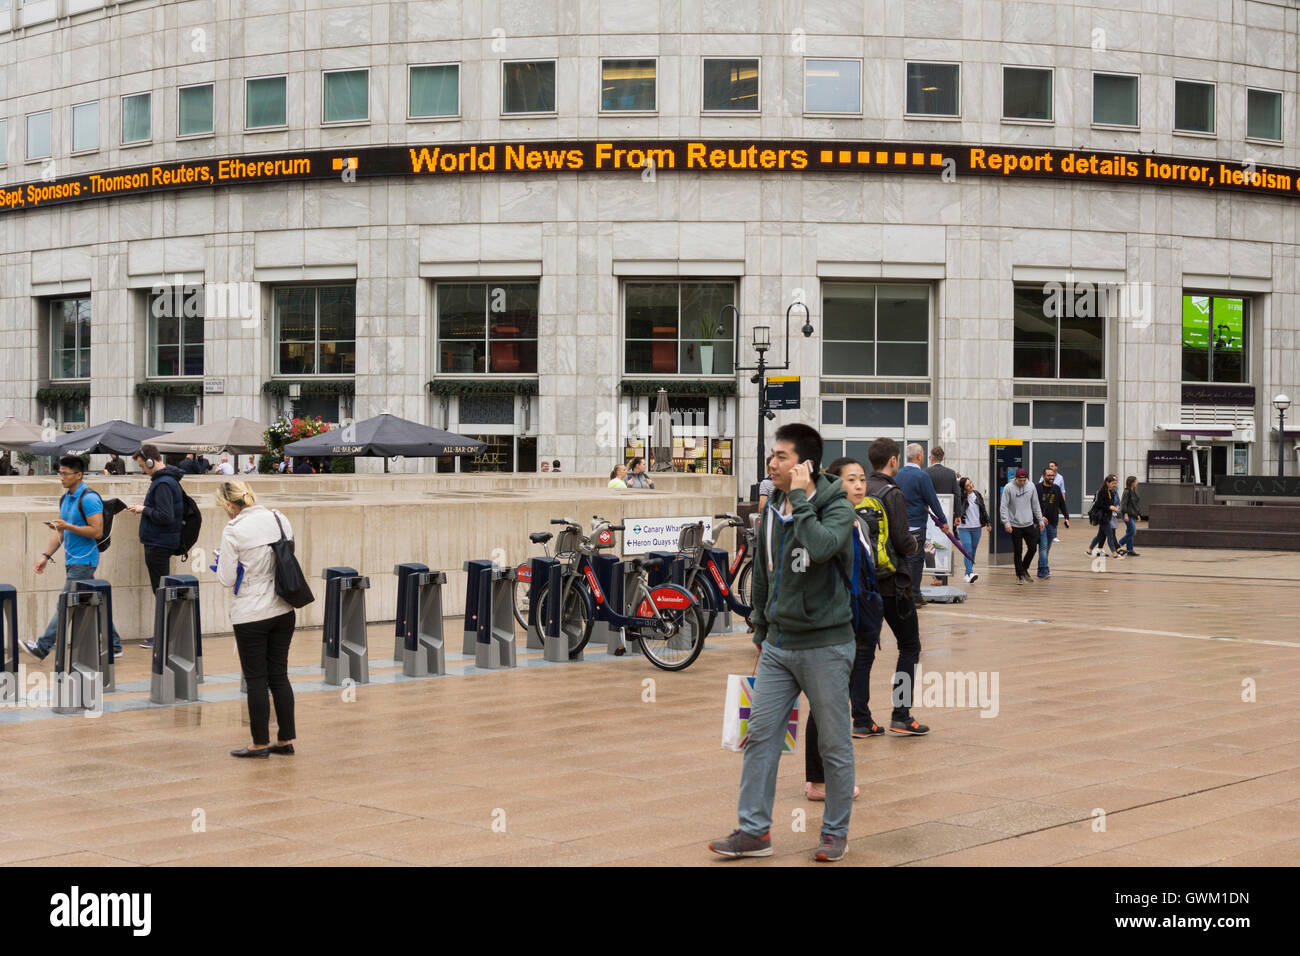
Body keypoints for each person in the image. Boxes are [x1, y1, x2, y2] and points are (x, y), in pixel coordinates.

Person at [708, 423, 857, 863]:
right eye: (771, 455)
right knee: (760, 737)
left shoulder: (838, 507)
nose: (772, 464)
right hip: (778, 644)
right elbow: (765, 571)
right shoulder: (771, 506)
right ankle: (754, 832)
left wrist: (802, 502)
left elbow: (822, 547)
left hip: (827, 644)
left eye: (782, 457)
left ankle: (834, 833)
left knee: (833, 743)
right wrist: (759, 630)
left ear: (806, 465)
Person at [804, 456, 879, 802]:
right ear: (834, 485)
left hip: (856, 621)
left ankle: (824, 777)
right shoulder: (827, 525)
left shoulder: (859, 522)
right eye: (851, 480)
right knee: (828, 703)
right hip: (831, 624)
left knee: (834, 701)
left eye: (862, 479)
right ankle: (819, 780)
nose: (860, 486)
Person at [214, 481, 298, 758]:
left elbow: (226, 578)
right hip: (283, 608)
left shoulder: (234, 530)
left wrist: (226, 564)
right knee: (280, 676)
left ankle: (259, 743)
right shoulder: (279, 518)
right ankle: (285, 740)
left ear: (229, 505)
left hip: (251, 612)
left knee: (256, 680)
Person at [22, 456, 124, 660]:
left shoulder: (89, 498)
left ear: (79, 475)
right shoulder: (66, 498)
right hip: (72, 560)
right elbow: (60, 532)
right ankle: (114, 645)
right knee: (97, 602)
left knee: (65, 603)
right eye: (60, 473)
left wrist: (68, 526)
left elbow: (97, 531)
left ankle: (43, 647)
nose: (61, 477)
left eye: (65, 473)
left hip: (84, 561)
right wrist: (45, 555)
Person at [860, 438, 927, 738]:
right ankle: (902, 714)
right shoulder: (892, 493)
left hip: (865, 584)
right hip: (894, 583)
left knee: (864, 651)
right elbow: (902, 540)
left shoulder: (862, 490)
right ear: (893, 460)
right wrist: (915, 544)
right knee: (910, 645)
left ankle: (861, 719)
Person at [128, 444, 186, 648]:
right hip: (162, 542)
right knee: (162, 590)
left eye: (143, 466)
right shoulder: (169, 480)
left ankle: (164, 637)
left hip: (158, 544)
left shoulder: (162, 484)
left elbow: (165, 515)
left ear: (152, 462)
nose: (143, 470)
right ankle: (168, 635)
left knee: (161, 591)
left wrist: (144, 509)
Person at [893, 444, 949, 608]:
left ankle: (908, 593)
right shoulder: (922, 476)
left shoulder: (898, 475)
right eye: (923, 454)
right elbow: (933, 500)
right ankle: (913, 595)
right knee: (916, 561)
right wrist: (943, 521)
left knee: (903, 560)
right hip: (917, 525)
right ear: (918, 457)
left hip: (900, 526)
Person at [1000, 467, 1046, 584]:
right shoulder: (1008, 488)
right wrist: (1006, 522)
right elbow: (1003, 506)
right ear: (1016, 478)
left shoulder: (1031, 487)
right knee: (1018, 550)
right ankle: (1019, 575)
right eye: (1020, 480)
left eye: (1024, 480)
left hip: (1028, 523)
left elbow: (1035, 505)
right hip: (1014, 524)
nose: (1022, 482)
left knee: (1033, 548)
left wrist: (1040, 520)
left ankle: (1024, 568)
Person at [925, 447, 960, 585]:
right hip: (946, 514)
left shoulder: (926, 473)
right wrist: (958, 514)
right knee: (944, 544)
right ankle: (942, 576)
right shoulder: (951, 474)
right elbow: (957, 494)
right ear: (943, 458)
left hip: (930, 515)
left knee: (930, 543)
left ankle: (935, 575)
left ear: (931, 457)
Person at [1035, 465, 1070, 580]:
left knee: (1046, 548)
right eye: (1049, 475)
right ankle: (1044, 571)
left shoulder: (1056, 488)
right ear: (1043, 476)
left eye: (1053, 475)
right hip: (1041, 523)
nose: (1051, 477)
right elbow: (1032, 506)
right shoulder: (1037, 488)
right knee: (1043, 547)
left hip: (1053, 522)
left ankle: (1040, 570)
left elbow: (1062, 504)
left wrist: (1066, 517)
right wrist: (1039, 518)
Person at [953, 476, 991, 583]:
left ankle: (967, 573)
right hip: (964, 528)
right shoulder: (960, 497)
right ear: (963, 488)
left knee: (972, 551)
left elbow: (983, 509)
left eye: (971, 484)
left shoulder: (977, 495)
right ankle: (970, 573)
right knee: (967, 550)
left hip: (977, 527)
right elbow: (955, 495)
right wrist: (957, 482)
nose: (971, 486)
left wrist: (988, 522)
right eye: (967, 486)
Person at [1087, 475, 1123, 558]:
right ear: (1107, 483)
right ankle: (1114, 554)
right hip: (1102, 517)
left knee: (1100, 536)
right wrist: (1110, 507)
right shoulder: (1101, 492)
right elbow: (1099, 504)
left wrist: (1115, 507)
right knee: (1110, 535)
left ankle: (1089, 550)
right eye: (1112, 483)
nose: (1114, 485)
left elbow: (1111, 504)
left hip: (1108, 516)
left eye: (1115, 483)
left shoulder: (1111, 492)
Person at [1117, 476, 1142, 556]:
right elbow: (1123, 504)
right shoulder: (1126, 492)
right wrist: (1126, 514)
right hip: (1127, 514)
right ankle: (1118, 545)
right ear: (1132, 482)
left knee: (1129, 531)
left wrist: (1138, 514)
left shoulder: (1133, 491)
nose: (1137, 482)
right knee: (1132, 532)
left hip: (1132, 514)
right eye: (1136, 481)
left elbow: (1135, 504)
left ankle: (1130, 550)